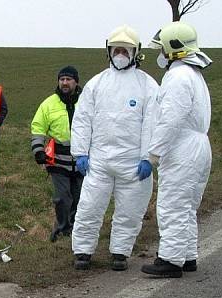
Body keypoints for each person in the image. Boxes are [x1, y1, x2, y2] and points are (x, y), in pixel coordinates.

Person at [71, 26, 159, 271]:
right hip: (99, 162)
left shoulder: (147, 86)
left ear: (135, 53)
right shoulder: (96, 84)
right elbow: (82, 119)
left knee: (129, 212)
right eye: (116, 49)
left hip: (132, 163)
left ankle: (120, 253)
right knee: (89, 208)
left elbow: (152, 124)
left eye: (125, 50)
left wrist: (148, 158)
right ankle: (82, 251)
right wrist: (80, 153)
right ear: (109, 51)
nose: (120, 54)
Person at [141, 22, 212, 278]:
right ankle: (187, 255)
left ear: (173, 49)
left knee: (173, 204)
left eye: (161, 49)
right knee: (188, 205)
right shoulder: (193, 74)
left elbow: (170, 118)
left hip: (182, 147)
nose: (159, 54)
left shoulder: (178, 77)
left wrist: (154, 152)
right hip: (197, 146)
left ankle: (171, 259)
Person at [30, 66, 83, 242]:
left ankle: (77, 228)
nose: (65, 83)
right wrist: (38, 150)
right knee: (62, 197)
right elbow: (38, 127)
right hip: (58, 160)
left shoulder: (87, 101)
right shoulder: (48, 104)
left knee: (80, 197)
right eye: (62, 79)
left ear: (76, 81)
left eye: (69, 79)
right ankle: (63, 228)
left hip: (83, 160)